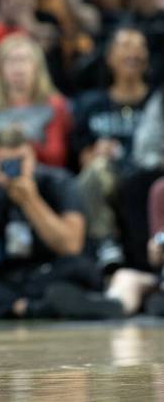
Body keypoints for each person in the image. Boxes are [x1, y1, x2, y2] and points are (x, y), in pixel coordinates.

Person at [0, 126, 122, 321]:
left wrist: (31, 200)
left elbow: (72, 246)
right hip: (10, 272)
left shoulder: (58, 181)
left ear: (33, 157)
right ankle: (28, 307)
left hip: (50, 268)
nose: (14, 169)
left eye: (20, 161)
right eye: (7, 163)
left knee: (82, 268)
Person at [72, 27, 151, 269]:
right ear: (109, 58)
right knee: (95, 171)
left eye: (139, 46)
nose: (133, 52)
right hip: (109, 178)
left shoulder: (157, 102)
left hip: (148, 176)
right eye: (125, 45)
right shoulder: (91, 104)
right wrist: (97, 152)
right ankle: (106, 244)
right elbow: (82, 159)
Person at [0, 33, 72, 167]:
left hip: (39, 174)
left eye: (24, 60)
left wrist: (23, 140)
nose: (18, 68)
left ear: (37, 67)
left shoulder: (56, 106)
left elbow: (57, 158)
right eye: (11, 61)